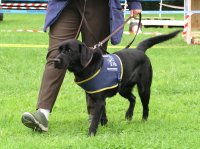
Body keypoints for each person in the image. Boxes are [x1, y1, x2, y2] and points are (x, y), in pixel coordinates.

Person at [21, 0, 142, 132]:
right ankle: (42, 114)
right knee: (55, 56)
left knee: (94, 58)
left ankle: (95, 114)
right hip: (64, 4)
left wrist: (134, 3)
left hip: (98, 5)